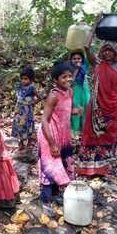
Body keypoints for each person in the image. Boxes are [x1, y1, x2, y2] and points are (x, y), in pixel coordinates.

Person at [78, 11, 117, 177]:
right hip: (96, 108)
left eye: (110, 50)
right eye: (104, 50)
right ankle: (88, 168)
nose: (106, 53)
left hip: (113, 109)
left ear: (116, 52)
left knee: (107, 138)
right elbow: (86, 47)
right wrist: (96, 22)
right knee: (91, 136)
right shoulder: (97, 64)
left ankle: (102, 169)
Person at [37, 62, 82, 208]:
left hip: (63, 136)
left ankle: (56, 195)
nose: (68, 79)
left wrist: (75, 112)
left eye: (70, 76)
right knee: (50, 168)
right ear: (56, 80)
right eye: (64, 77)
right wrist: (51, 143)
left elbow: (65, 111)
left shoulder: (70, 92)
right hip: (49, 135)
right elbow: (44, 119)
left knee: (61, 164)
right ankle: (45, 201)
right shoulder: (53, 95)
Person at [11, 66, 39, 150]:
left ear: (31, 80)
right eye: (22, 78)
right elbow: (18, 96)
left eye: (26, 79)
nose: (23, 81)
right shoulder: (19, 86)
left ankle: (30, 141)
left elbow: (39, 97)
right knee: (19, 125)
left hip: (27, 111)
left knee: (28, 125)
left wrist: (32, 103)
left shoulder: (31, 88)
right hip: (19, 110)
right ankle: (21, 142)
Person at [69, 50, 90, 136]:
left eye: (79, 58)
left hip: (85, 92)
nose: (77, 60)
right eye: (74, 58)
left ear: (82, 59)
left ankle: (84, 131)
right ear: (71, 60)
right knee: (76, 111)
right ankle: (75, 133)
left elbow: (89, 53)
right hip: (75, 92)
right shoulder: (69, 69)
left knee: (85, 109)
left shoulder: (84, 67)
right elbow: (70, 82)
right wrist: (77, 69)